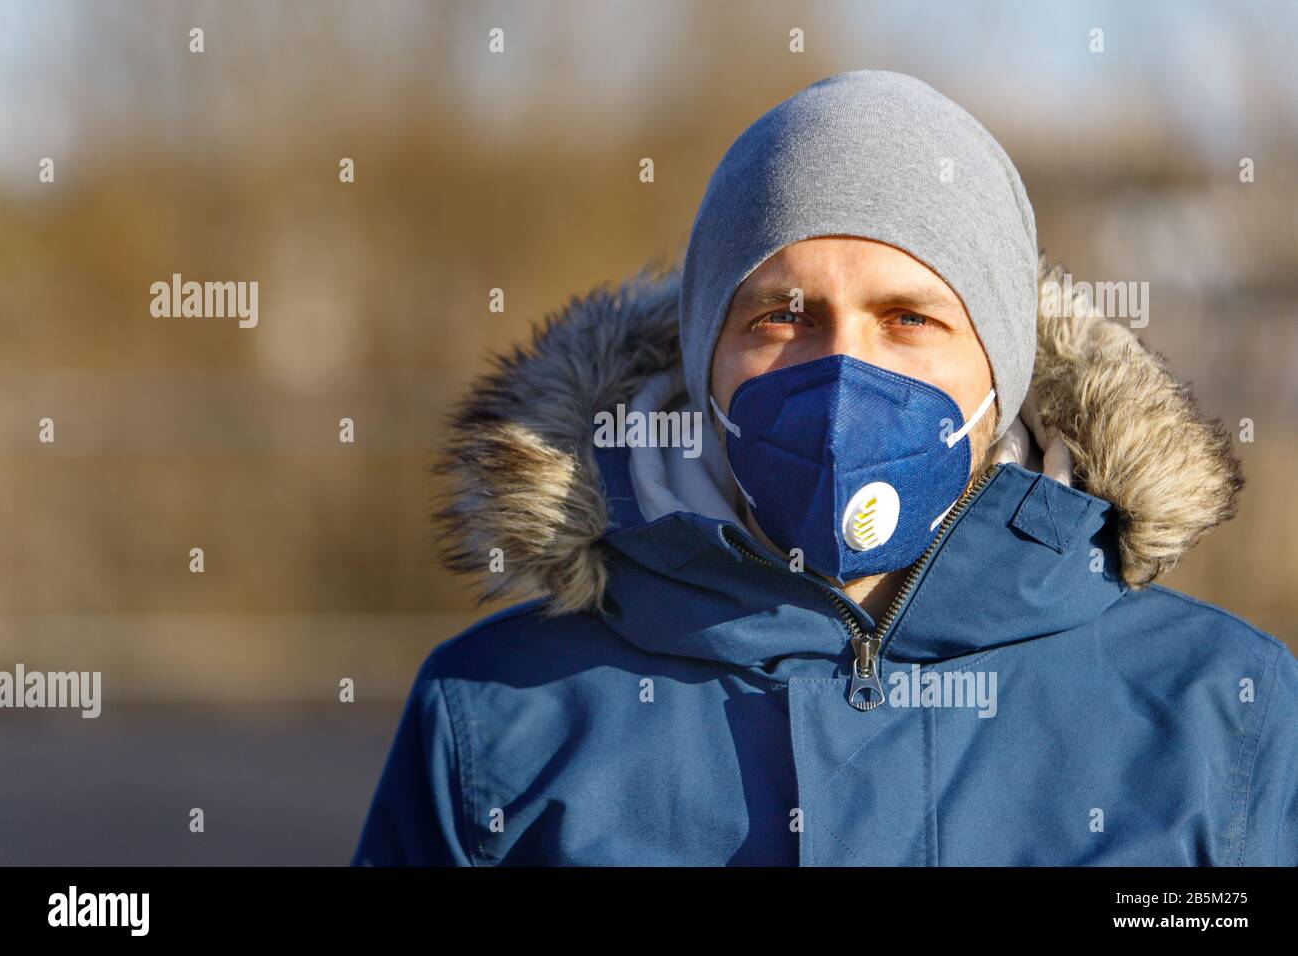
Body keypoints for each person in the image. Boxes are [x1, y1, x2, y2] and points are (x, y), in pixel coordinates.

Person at [352, 70, 1298, 866]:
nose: (847, 375)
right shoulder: (495, 718)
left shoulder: (1223, 716)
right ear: (702, 358)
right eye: (781, 315)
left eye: (909, 317)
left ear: (1003, 368)